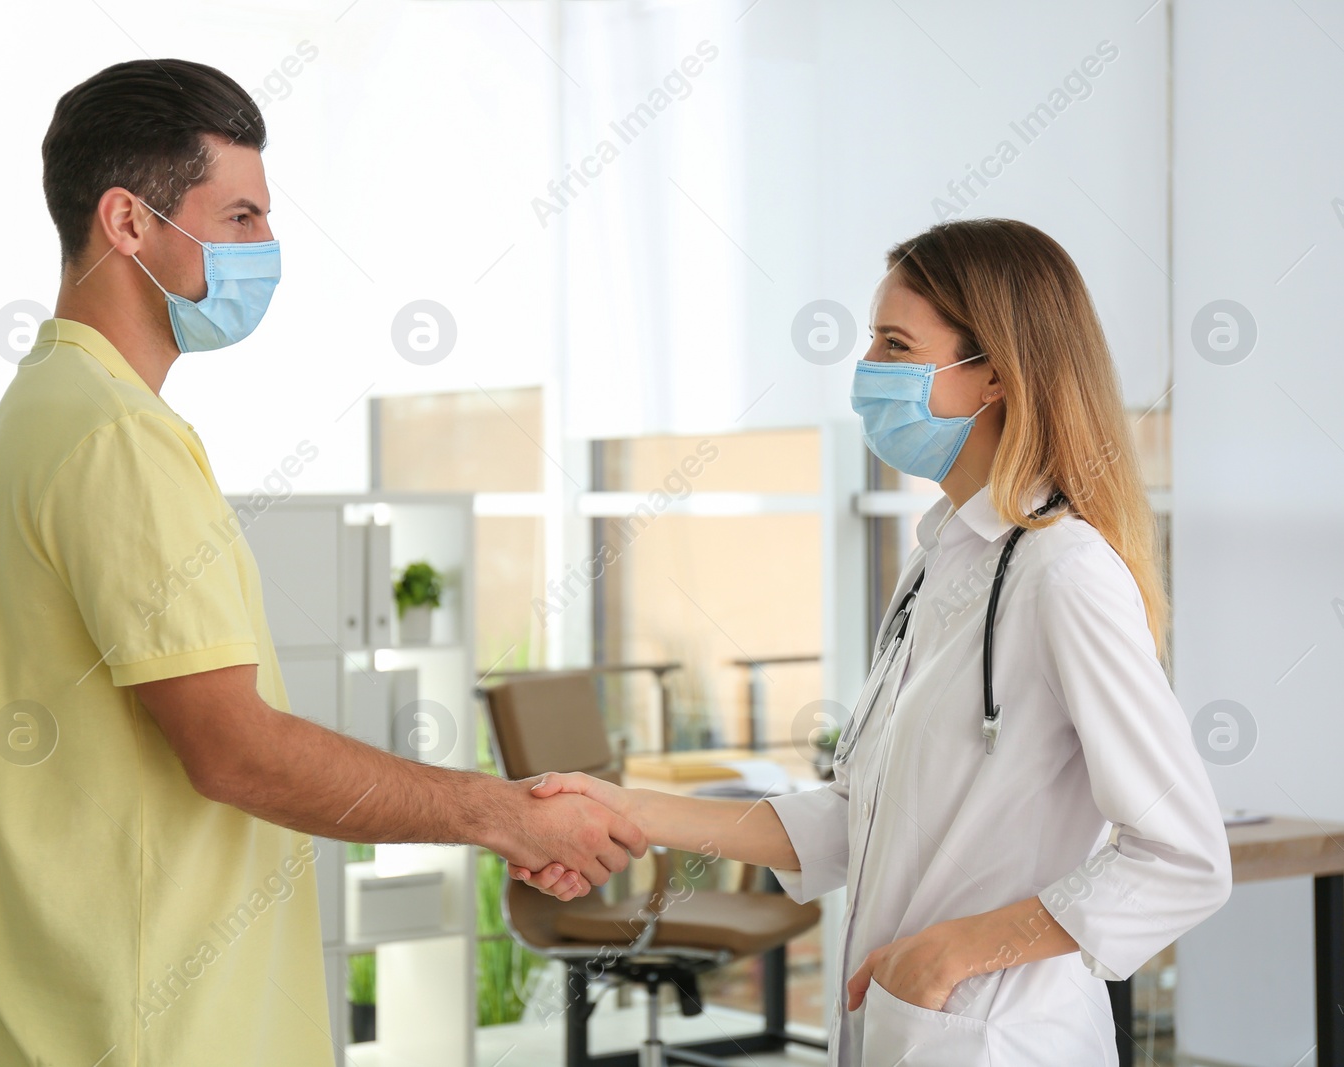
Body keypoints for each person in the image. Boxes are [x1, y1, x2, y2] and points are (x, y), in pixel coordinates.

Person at [0, 59, 642, 1067]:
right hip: (157, 1029)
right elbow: (234, 748)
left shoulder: (55, 404)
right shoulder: (114, 436)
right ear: (128, 222)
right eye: (239, 218)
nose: (266, 249)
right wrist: (502, 815)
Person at [514, 218, 1233, 1065]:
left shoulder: (1065, 572)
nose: (868, 373)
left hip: (996, 1036)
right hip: (903, 1025)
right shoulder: (938, 563)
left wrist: (956, 950)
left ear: (994, 374)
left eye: (897, 345)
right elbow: (852, 822)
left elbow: (1183, 857)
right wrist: (628, 809)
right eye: (872, 343)